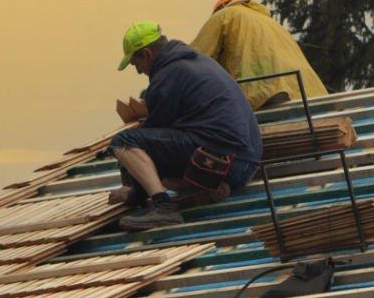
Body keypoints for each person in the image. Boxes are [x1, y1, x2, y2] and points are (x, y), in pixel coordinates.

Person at [110, 21, 265, 231]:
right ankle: (204, 188)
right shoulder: (198, 61)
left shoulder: (166, 77)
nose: (138, 72)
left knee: (124, 142)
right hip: (246, 163)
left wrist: (134, 193)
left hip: (223, 161)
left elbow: (150, 146)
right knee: (162, 167)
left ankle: (164, 208)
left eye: (135, 64)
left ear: (146, 54)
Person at [191, 0, 329, 112]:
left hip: (268, 92)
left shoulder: (225, 15)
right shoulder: (271, 23)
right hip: (311, 93)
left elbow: (194, 59)